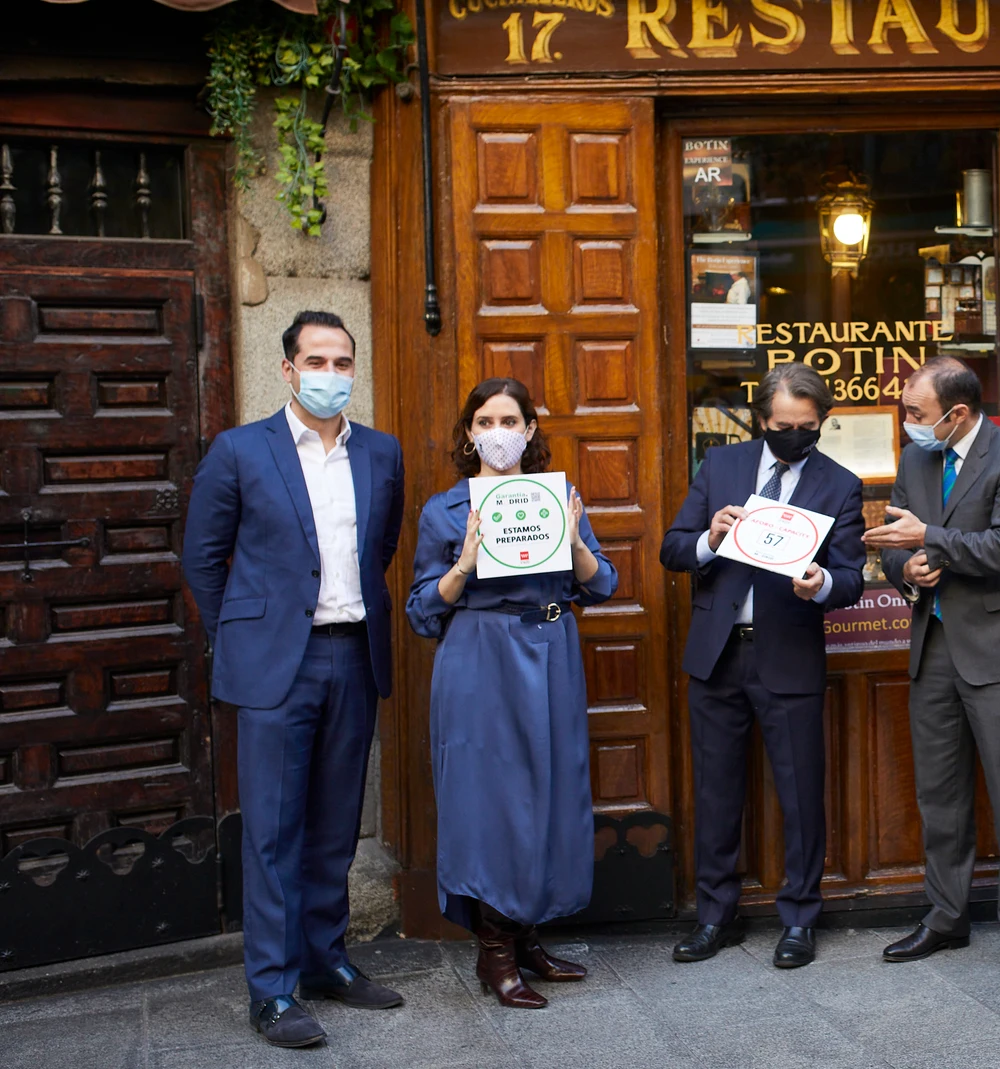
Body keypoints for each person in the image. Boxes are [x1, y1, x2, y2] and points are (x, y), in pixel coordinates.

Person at [182, 310, 406, 1049]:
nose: (332, 375)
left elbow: (383, 546)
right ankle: (273, 991)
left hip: (352, 654)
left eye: (344, 362)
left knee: (335, 827)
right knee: (274, 831)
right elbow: (202, 560)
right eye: (317, 360)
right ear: (287, 368)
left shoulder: (381, 453)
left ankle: (325, 960)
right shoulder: (240, 450)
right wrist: (244, 638)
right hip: (278, 666)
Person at [406, 377, 618, 1009]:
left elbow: (601, 584)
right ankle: (492, 948)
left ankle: (526, 934)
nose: (497, 433)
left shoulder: (562, 499)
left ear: (531, 429)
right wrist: (464, 561)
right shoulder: (444, 511)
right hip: (480, 656)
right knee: (489, 798)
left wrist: (576, 539)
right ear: (469, 435)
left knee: (549, 788)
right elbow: (421, 611)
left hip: (550, 652)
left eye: (509, 421)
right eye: (484, 422)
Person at [659, 363, 866, 969]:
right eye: (784, 426)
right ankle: (713, 917)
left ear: (821, 423)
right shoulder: (721, 467)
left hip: (790, 654)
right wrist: (709, 538)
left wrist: (822, 581)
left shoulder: (841, 483)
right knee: (716, 792)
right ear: (762, 420)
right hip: (718, 653)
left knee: (802, 794)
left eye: (807, 427)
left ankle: (799, 918)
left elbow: (852, 578)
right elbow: (674, 546)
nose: (795, 435)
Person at [863, 357, 1000, 983]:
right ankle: (945, 916)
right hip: (934, 643)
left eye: (916, 414)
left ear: (958, 414)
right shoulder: (917, 458)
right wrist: (907, 571)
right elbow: (897, 541)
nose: (907, 422)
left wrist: (934, 540)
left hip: (998, 647)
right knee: (939, 794)